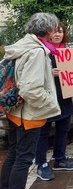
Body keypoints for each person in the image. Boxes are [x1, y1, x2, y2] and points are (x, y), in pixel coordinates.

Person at [0, 12, 60, 189]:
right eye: (54, 28)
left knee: (14, 153)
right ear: (48, 30)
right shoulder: (37, 52)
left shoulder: (23, 44)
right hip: (29, 115)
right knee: (24, 159)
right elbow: (30, 89)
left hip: (15, 110)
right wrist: (49, 103)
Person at [35, 22, 73, 181]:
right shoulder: (41, 52)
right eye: (55, 31)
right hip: (47, 98)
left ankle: (59, 159)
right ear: (48, 33)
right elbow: (32, 75)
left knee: (63, 129)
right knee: (43, 132)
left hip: (64, 97)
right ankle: (41, 164)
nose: (58, 34)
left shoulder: (67, 52)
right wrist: (48, 73)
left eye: (61, 31)